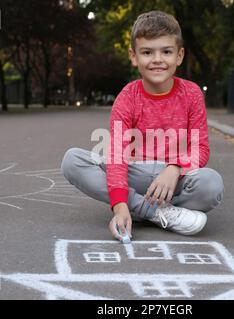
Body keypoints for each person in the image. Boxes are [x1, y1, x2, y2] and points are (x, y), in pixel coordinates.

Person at [61, 10, 224, 242]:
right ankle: (154, 212)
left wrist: (175, 168)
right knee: (73, 160)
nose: (157, 59)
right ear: (134, 56)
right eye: (147, 52)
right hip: (135, 173)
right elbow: (117, 155)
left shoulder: (192, 94)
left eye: (166, 52)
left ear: (179, 56)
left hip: (174, 180)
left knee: (211, 184)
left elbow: (201, 149)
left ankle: (138, 207)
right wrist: (118, 206)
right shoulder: (127, 97)